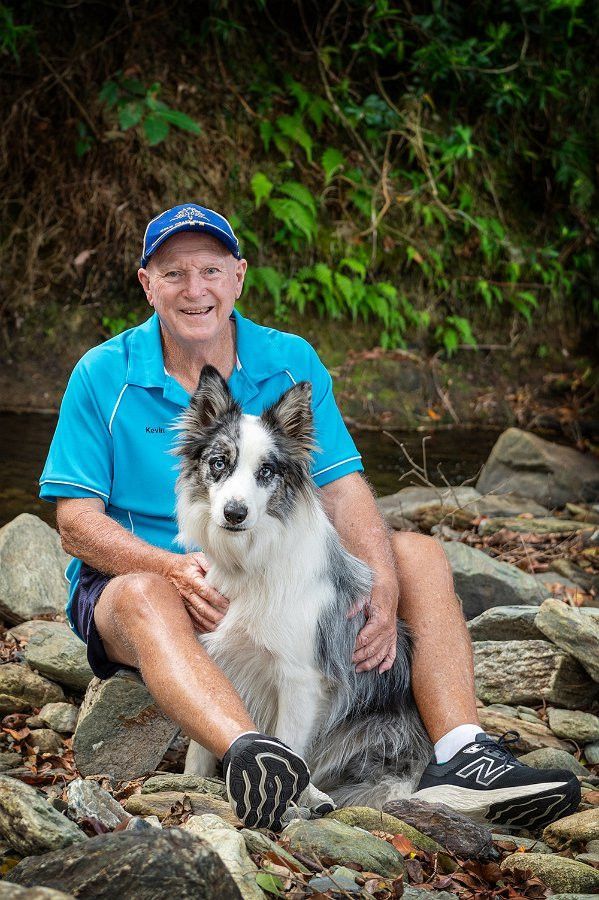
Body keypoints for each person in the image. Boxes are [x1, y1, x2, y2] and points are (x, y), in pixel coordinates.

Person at [40, 203, 579, 830]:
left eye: (211, 271)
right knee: (144, 596)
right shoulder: (102, 374)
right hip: (147, 575)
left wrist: (382, 585)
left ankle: (464, 752)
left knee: (417, 554)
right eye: (175, 273)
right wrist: (171, 567)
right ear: (146, 283)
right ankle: (252, 755)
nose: (195, 290)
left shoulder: (288, 358)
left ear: (238, 277)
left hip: (262, 568)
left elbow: (343, 490)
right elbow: (75, 521)